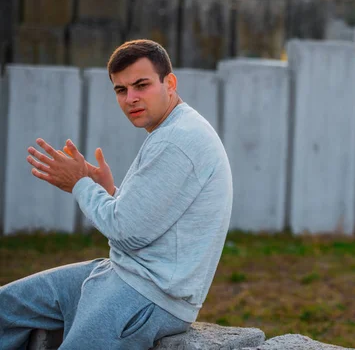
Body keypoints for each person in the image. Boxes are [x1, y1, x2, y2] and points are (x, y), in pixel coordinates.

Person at [0, 39, 233, 349]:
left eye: (141, 85)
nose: (131, 98)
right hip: (119, 274)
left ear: (170, 83)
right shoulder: (172, 129)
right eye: (121, 90)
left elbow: (126, 230)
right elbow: (150, 220)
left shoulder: (177, 140)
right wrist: (108, 191)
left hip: (147, 297)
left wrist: (81, 185)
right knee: (6, 306)